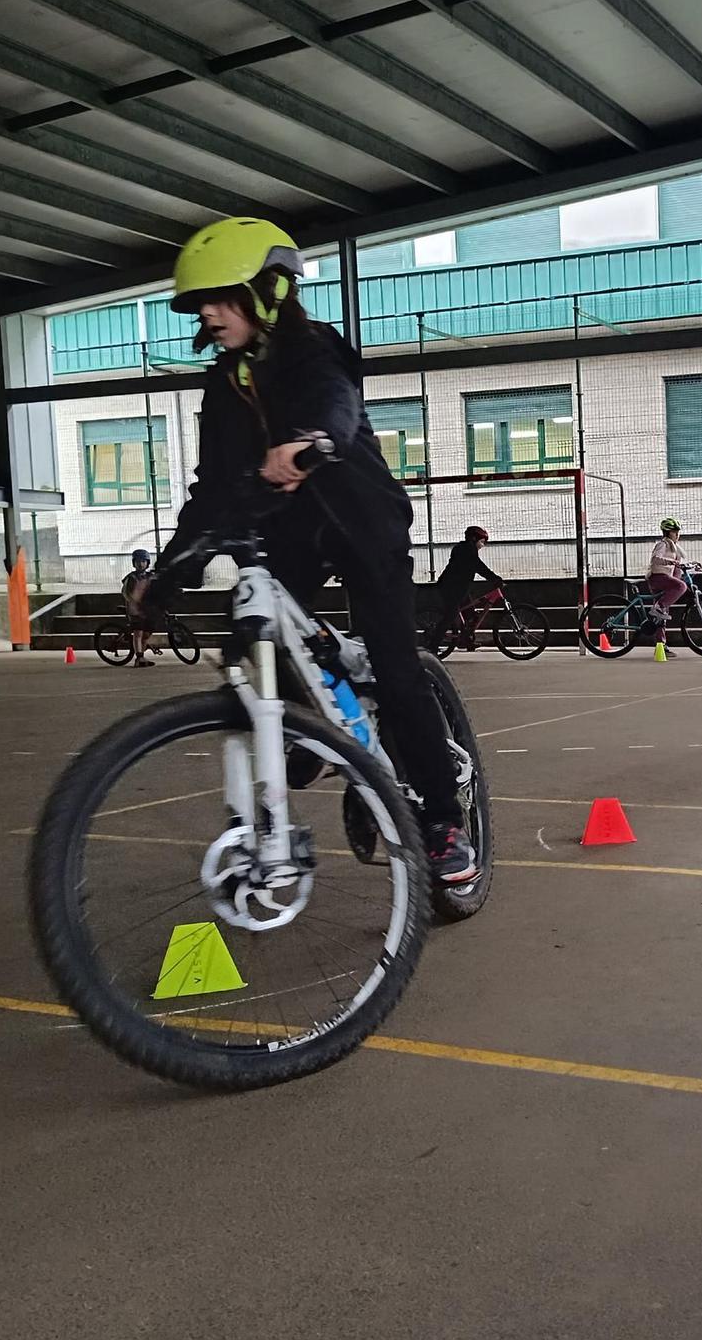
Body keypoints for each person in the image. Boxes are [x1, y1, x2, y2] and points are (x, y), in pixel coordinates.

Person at [134, 216, 477, 884]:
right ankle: (312, 740)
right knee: (245, 646)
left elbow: (336, 408)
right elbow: (209, 491)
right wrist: (170, 573)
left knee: (395, 667)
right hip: (284, 534)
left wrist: (312, 443)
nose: (209, 313)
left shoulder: (314, 348)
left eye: (221, 297)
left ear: (267, 291)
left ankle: (442, 821)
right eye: (201, 303)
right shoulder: (223, 383)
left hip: (359, 523)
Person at [426, 525, 502, 653]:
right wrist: (494, 578)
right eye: (482, 542)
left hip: (459, 588)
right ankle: (433, 646)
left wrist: (493, 578)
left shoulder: (466, 548)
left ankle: (467, 641)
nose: (482, 545)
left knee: (470, 615)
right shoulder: (466, 550)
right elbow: (478, 566)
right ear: (473, 539)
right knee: (450, 616)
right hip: (450, 588)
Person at [645, 518, 693, 642]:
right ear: (667, 533)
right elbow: (655, 559)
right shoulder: (663, 544)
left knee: (661, 616)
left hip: (665, 580)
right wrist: (670, 562)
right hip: (658, 578)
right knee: (681, 587)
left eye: (678, 532)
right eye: (674, 532)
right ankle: (659, 606)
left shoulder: (675, 548)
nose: (677, 534)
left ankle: (661, 645)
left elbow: (679, 565)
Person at [121, 548, 158, 665]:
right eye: (138, 562)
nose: (141, 564)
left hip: (147, 610)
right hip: (135, 610)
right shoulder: (131, 578)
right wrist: (135, 602)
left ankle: (141, 656)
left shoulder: (150, 576)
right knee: (138, 633)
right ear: (134, 563)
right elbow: (126, 593)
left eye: (143, 561)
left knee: (146, 634)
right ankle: (139, 657)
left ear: (147, 563)